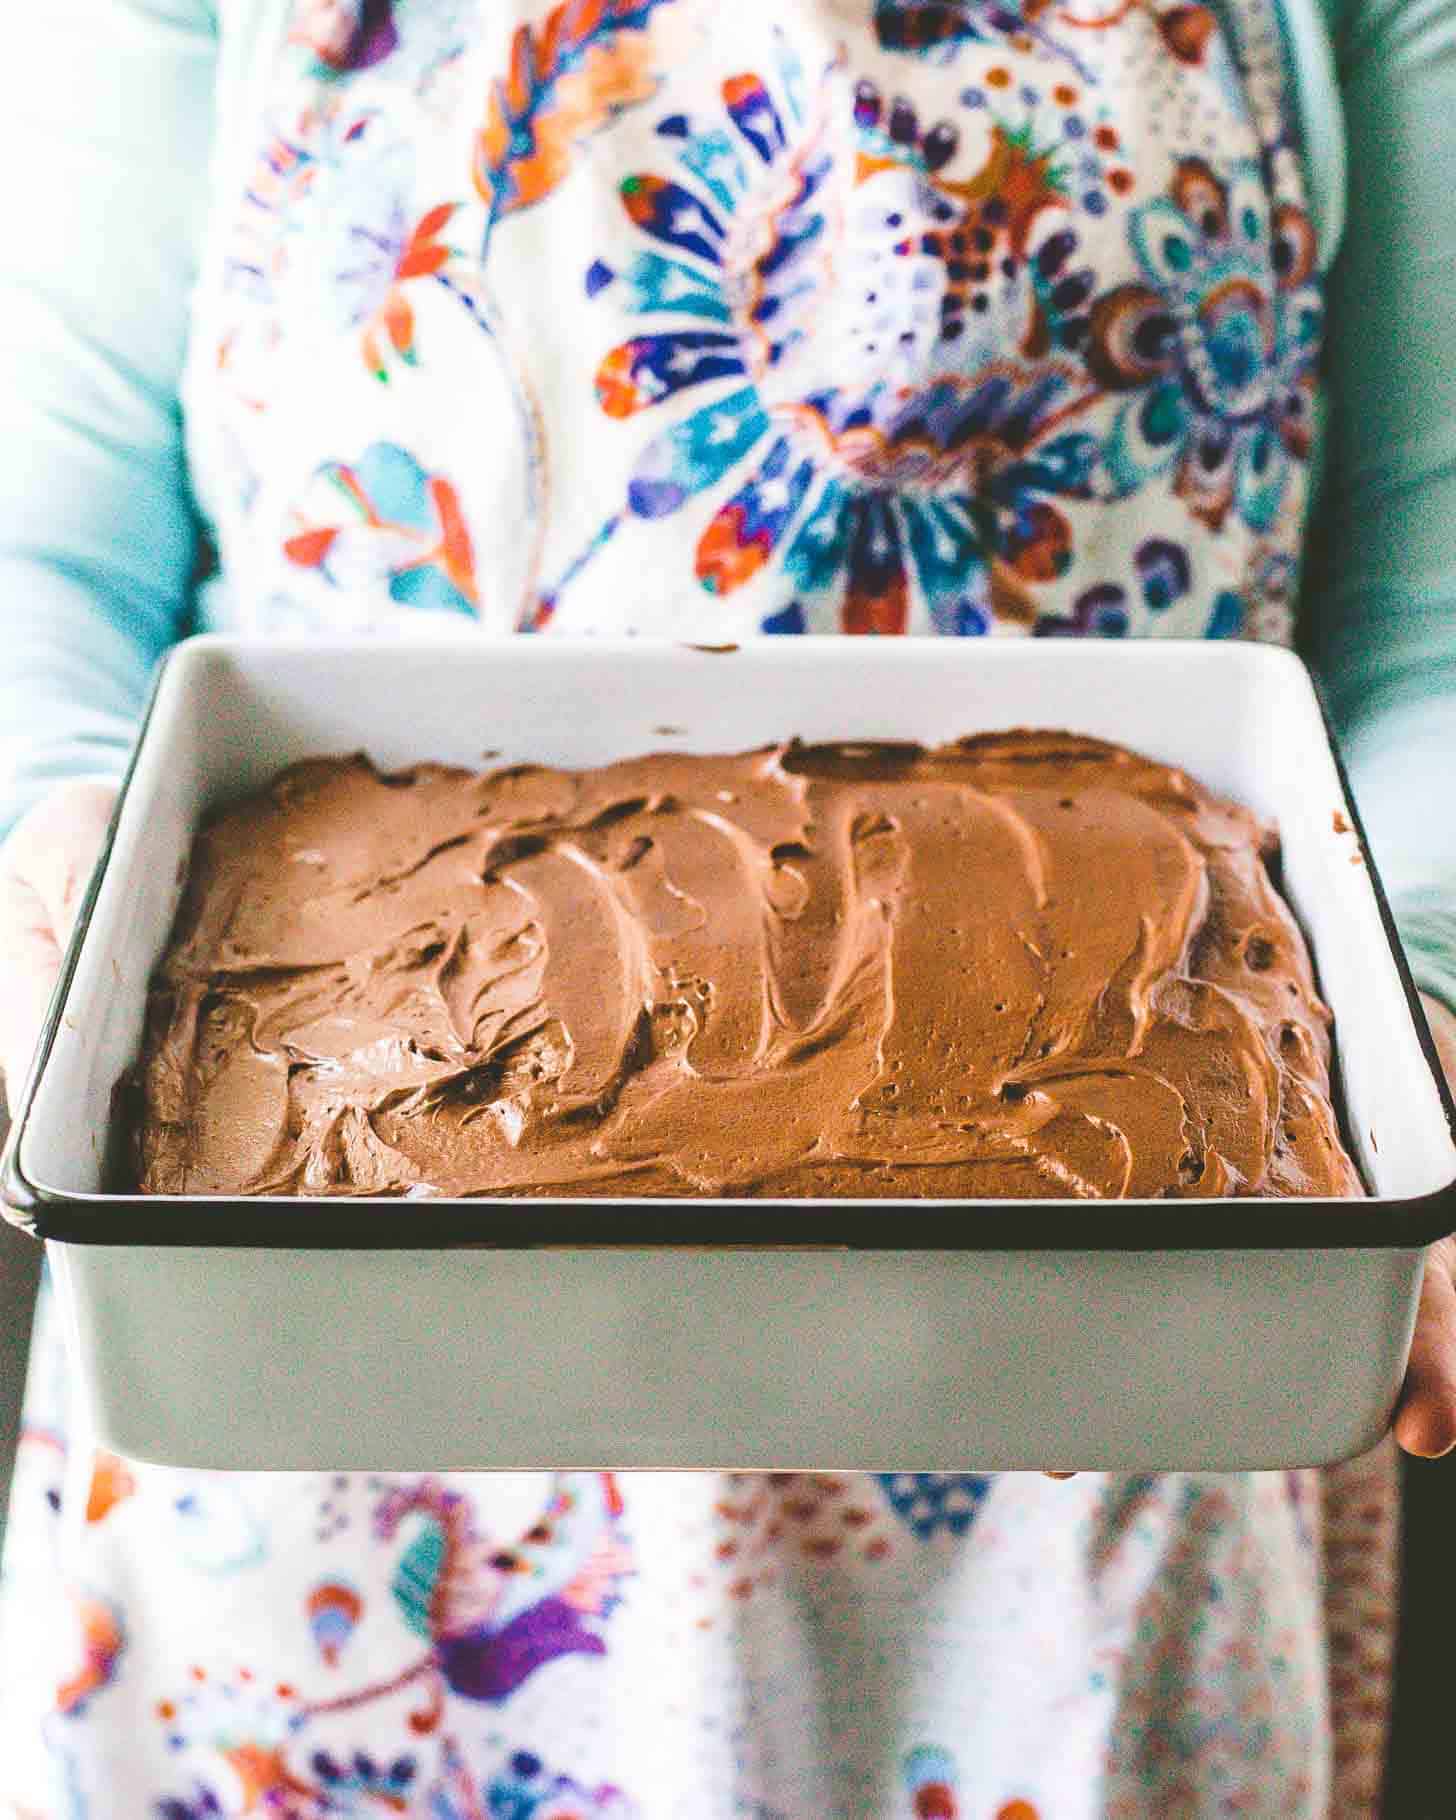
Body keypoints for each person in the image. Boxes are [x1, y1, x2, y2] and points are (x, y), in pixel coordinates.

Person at [0, 0, 1453, 1813]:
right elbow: (40, 540)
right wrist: (59, 845)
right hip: (324, 1385)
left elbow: (1432, 597)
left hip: (1108, 1391)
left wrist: (1419, 1004)